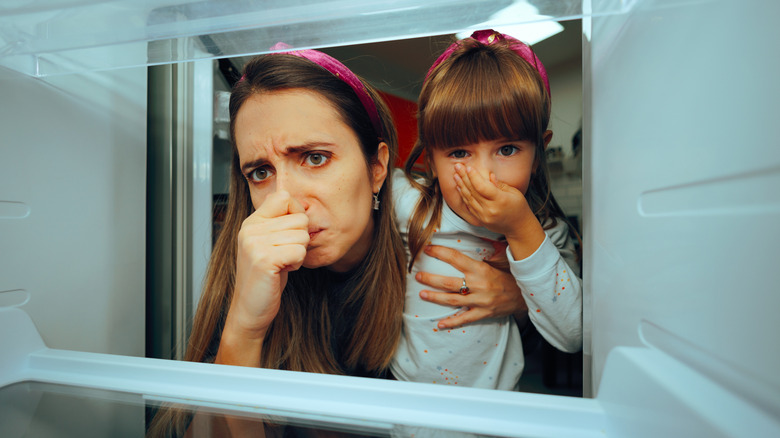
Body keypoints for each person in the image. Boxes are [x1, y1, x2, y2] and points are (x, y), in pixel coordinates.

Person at [389, 30, 583, 391]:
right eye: (459, 153)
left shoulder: (546, 233)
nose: (485, 177)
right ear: (431, 160)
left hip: (494, 409)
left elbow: (574, 334)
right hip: (409, 403)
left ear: (539, 154)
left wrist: (522, 229)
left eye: (507, 149)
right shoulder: (408, 203)